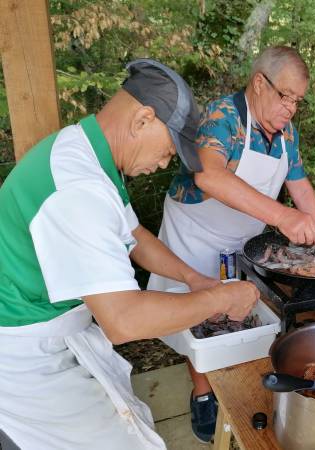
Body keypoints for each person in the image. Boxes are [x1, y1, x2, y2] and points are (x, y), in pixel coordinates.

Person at [0, 59, 260, 450]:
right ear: (143, 119)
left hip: (55, 330)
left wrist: (195, 280)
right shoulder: (79, 190)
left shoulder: (84, 150)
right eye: (170, 150)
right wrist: (219, 297)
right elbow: (123, 320)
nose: (164, 164)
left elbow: (134, 234)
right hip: (24, 354)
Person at [147, 46, 315, 442]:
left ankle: (238, 377)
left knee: (244, 309)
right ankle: (203, 393)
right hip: (194, 229)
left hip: (243, 235)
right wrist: (282, 217)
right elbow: (208, 176)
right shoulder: (223, 116)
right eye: (286, 96)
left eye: (298, 100)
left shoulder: (286, 134)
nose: (291, 109)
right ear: (260, 83)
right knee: (198, 314)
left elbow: (300, 187)